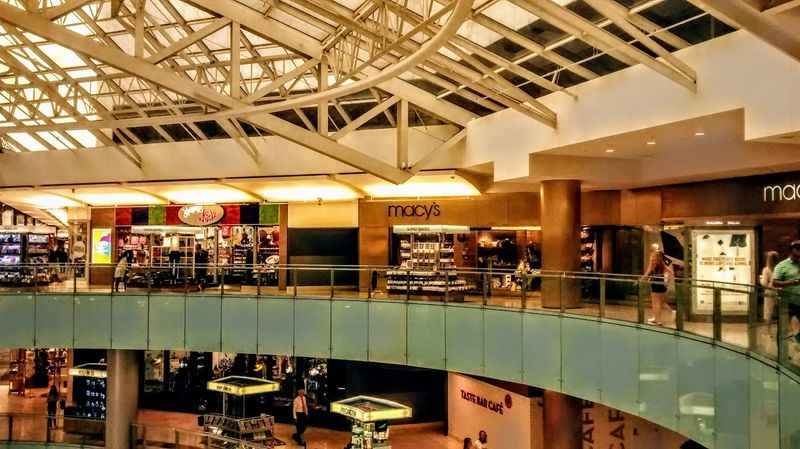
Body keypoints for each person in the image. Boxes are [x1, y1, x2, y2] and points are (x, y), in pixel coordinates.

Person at [643, 250, 673, 326]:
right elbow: (671, 272)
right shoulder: (662, 264)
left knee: (655, 303)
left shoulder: (652, 264)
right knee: (659, 302)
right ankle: (656, 318)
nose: (651, 257)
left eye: (652, 256)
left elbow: (647, 273)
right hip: (661, 284)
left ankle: (657, 320)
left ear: (655, 257)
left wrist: (640, 280)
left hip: (655, 284)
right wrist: (667, 281)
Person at [761, 251, 779, 322]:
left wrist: (760, 280)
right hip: (778, 291)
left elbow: (764, 283)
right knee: (778, 311)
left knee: (768, 312)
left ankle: (768, 331)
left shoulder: (766, 270)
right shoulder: (779, 269)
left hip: (769, 292)